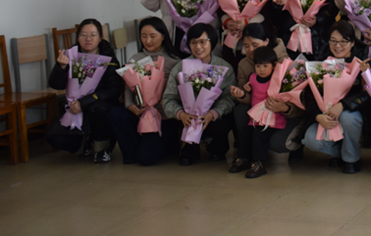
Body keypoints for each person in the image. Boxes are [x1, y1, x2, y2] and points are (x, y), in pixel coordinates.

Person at [107, 17, 185, 166]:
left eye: (153, 36)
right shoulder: (135, 59)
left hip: (163, 117)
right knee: (114, 114)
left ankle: (167, 144)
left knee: (147, 158)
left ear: (163, 36)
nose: (148, 40)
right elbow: (128, 86)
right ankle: (131, 154)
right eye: (143, 36)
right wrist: (130, 105)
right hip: (140, 112)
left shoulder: (174, 61)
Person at [46, 19, 121, 163]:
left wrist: (84, 102)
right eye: (83, 35)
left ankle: (101, 148)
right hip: (74, 107)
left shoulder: (108, 58)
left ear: (100, 37)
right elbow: (56, 85)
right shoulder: (71, 56)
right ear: (78, 37)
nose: (88, 39)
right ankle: (84, 144)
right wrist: (61, 68)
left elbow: (114, 90)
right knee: (55, 138)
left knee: (97, 110)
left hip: (98, 105)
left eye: (93, 35)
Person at [301, 22, 371, 174]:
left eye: (343, 41)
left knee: (348, 118)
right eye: (333, 41)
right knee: (311, 139)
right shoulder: (321, 62)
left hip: (352, 113)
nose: (337, 46)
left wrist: (343, 105)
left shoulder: (361, 63)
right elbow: (309, 95)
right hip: (326, 113)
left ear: (352, 43)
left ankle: (351, 159)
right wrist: (318, 116)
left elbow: (367, 95)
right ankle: (338, 153)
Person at [162, 23, 235, 166]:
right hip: (188, 117)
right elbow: (168, 98)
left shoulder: (223, 67)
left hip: (213, 117)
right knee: (183, 132)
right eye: (193, 42)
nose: (198, 47)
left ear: (212, 42)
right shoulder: (180, 67)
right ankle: (190, 150)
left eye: (202, 42)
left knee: (221, 127)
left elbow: (230, 98)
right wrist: (181, 114)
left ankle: (216, 147)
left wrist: (213, 113)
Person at [228, 47, 283, 178]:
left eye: (265, 66)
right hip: (256, 118)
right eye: (258, 66)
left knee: (259, 135)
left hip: (272, 118)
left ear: (274, 65)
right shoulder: (253, 77)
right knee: (245, 133)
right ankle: (243, 158)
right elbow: (249, 88)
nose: (261, 69)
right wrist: (244, 89)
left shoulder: (276, 79)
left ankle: (259, 163)